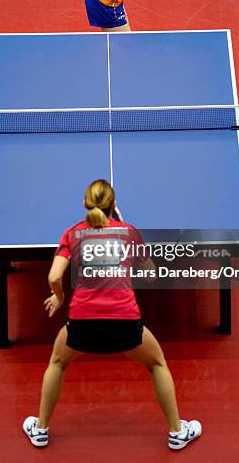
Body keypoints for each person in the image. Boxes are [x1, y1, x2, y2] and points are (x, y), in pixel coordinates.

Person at [23, 179, 202, 451]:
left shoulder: (72, 234)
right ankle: (177, 432)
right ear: (113, 206)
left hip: (82, 324)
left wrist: (59, 297)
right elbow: (151, 274)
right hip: (125, 323)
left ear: (84, 204)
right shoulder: (128, 233)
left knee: (58, 363)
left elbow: (54, 275)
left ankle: (40, 430)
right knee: (157, 364)